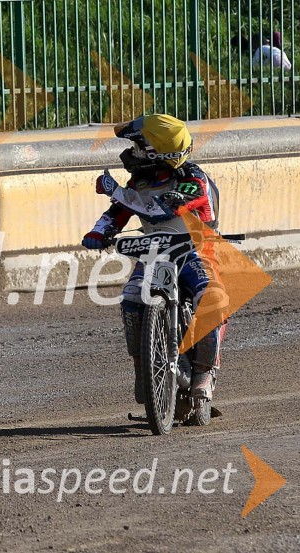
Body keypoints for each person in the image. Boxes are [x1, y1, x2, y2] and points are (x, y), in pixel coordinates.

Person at [82, 114, 227, 403]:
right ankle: (142, 370)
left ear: (157, 152)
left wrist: (117, 191)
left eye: (138, 148)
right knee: (131, 298)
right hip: (153, 254)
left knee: (212, 299)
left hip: (196, 254)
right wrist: (101, 231)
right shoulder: (140, 181)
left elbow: (162, 209)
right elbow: (117, 214)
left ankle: (204, 373)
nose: (132, 153)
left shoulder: (193, 180)